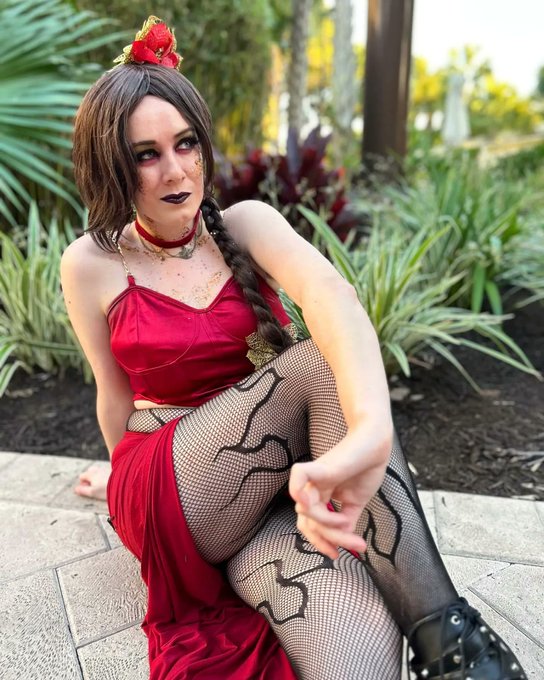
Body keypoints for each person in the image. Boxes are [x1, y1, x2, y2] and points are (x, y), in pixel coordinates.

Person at [61, 16, 527, 680]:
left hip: (270, 492)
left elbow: (332, 295)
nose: (177, 170)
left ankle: (437, 644)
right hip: (172, 490)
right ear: (110, 164)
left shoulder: (245, 224)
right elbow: (112, 396)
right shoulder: (91, 263)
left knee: (360, 643)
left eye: (187, 143)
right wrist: (117, 478)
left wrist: (366, 435)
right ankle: (458, 646)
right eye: (146, 154)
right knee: (313, 362)